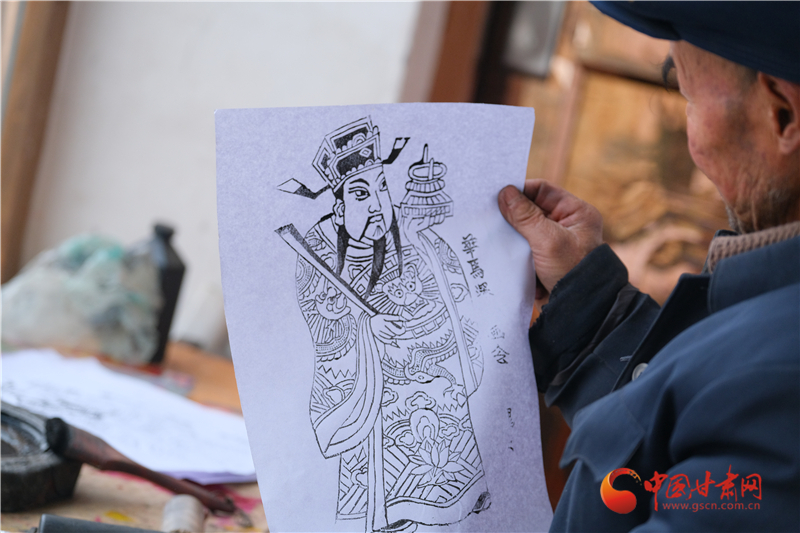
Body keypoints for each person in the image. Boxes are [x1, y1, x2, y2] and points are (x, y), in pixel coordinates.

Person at [498, 2, 800, 531]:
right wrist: (593, 315)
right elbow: (679, 439)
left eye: (686, 94)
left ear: (783, 115)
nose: (693, 148)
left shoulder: (778, 389)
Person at [294, 117, 488, 532]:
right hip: (374, 389)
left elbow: (454, 291)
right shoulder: (319, 253)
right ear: (340, 209)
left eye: (382, 188)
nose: (378, 206)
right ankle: (391, 512)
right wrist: (366, 330)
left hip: (435, 369)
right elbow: (323, 328)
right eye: (361, 194)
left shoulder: (412, 235)